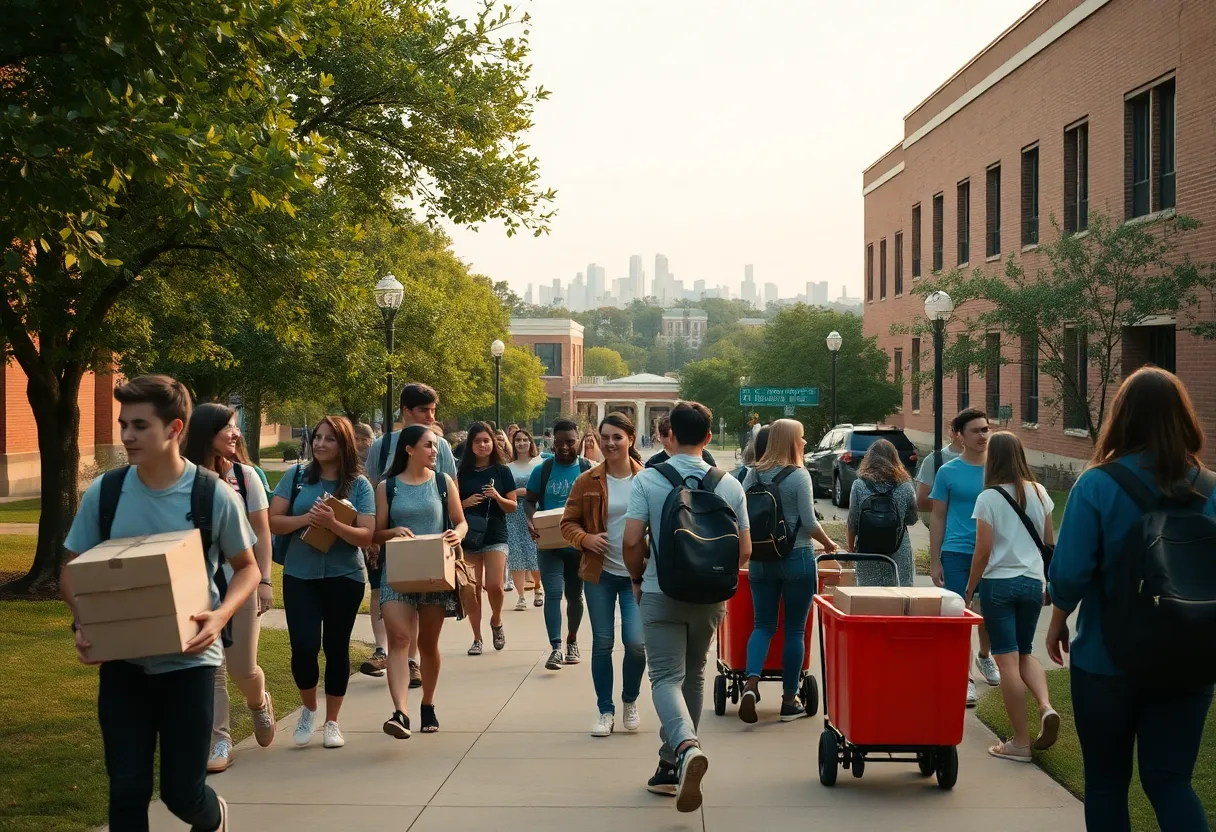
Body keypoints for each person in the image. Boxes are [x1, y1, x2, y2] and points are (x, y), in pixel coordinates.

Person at [62, 375, 259, 831]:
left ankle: (213, 817)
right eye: (123, 425)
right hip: (123, 666)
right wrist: (85, 622)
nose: (127, 436)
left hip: (190, 666)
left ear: (174, 428)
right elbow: (71, 571)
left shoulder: (210, 494)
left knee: (181, 792)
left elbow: (246, 568)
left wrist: (221, 615)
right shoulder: (105, 493)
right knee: (126, 791)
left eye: (139, 426)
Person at [1047, 367, 1215, 831]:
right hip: (1192, 658)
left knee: (1105, 784)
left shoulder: (1097, 484)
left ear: (1122, 418)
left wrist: (1059, 617)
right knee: (1171, 782)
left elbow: (1070, 573)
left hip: (1107, 659)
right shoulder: (1211, 488)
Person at [624, 401, 751, 812]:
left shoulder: (648, 480)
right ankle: (670, 764)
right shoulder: (729, 484)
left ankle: (686, 746)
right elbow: (744, 549)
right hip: (711, 595)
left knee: (664, 677)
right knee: (693, 675)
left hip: (662, 590)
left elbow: (630, 541)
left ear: (669, 435)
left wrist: (638, 578)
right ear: (709, 438)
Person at [269, 415, 375, 749]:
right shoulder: (296, 476)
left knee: (336, 648)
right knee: (303, 647)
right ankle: (309, 709)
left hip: (344, 576)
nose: (320, 444)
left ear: (343, 444)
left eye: (329, 439)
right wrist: (307, 519)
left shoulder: (359, 484)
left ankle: (332, 721)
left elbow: (366, 535)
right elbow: (274, 522)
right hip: (300, 575)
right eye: (317, 437)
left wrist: (334, 523)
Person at [183, 404, 277, 773]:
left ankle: (258, 701)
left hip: (241, 583)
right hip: (197, 588)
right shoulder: (184, 478)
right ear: (207, 432)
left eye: (237, 427)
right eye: (228, 428)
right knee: (213, 667)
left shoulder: (246, 476)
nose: (235, 434)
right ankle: (219, 739)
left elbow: (263, 532)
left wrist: (265, 579)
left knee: (242, 668)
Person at [964, 431, 1058, 762]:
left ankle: (1019, 743)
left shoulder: (988, 498)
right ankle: (1046, 706)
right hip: (1033, 584)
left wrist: (970, 588)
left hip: (999, 586)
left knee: (1006, 660)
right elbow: (1047, 542)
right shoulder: (1040, 492)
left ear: (994, 459)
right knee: (1024, 653)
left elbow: (982, 552)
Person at [739, 419, 837, 724]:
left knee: (763, 624)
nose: (805, 443)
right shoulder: (798, 476)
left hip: (760, 559)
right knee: (795, 629)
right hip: (797, 558)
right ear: (791, 441)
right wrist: (830, 544)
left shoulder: (752, 473)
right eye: (802, 438)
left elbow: (741, 514)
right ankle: (788, 699)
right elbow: (808, 523)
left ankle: (751, 684)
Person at [371, 424, 467, 737]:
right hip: (396, 573)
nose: (434, 451)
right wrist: (392, 532)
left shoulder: (443, 482)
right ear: (409, 449)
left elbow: (461, 520)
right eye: (428, 445)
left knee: (427, 643)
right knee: (399, 640)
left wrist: (457, 533)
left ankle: (428, 703)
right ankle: (400, 712)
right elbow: (375, 533)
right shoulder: (387, 487)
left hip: (434, 572)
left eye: (435, 446)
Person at [361, 384, 457, 687]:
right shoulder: (382, 446)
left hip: (430, 545)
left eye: (433, 410)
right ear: (406, 411)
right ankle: (382, 649)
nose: (430, 416)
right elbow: (372, 485)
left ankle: (412, 660)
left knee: (421, 601)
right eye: (423, 410)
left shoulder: (439, 446)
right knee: (384, 593)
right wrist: (375, 537)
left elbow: (449, 487)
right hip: (390, 540)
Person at [561, 413, 647, 737]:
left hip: (635, 576)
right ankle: (605, 710)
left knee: (636, 644)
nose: (610, 443)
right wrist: (585, 538)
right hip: (599, 574)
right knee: (602, 642)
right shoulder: (588, 480)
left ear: (630, 439)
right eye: (605, 437)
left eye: (617, 437)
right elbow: (567, 523)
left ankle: (629, 701)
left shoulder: (646, 479)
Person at [929, 407, 999, 705]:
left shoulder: (998, 469)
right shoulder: (948, 472)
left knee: (988, 615)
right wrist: (935, 560)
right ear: (960, 436)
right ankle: (965, 677)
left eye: (986, 429)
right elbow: (938, 517)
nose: (983, 435)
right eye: (976, 430)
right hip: (957, 551)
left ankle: (985, 656)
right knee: (961, 615)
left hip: (995, 553)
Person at [526, 419, 590, 670]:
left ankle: (572, 639)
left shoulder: (586, 469)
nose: (564, 447)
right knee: (552, 592)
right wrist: (531, 521)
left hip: (576, 543)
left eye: (570, 442)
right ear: (553, 441)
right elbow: (529, 501)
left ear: (578, 440)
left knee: (575, 595)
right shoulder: (542, 470)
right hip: (549, 542)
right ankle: (555, 648)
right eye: (559, 442)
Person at [457, 421, 518, 654]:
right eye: (477, 441)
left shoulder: (502, 471)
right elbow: (451, 507)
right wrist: (465, 503)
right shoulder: (461, 473)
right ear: (470, 445)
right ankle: (477, 638)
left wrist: (497, 497)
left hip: (495, 532)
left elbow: (512, 506)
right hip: (470, 535)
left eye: (486, 441)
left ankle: (496, 620)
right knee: (472, 590)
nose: (482, 445)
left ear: (493, 442)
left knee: (495, 585)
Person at [846, 438, 920, 587]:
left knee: (870, 598)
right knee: (900, 596)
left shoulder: (859, 485)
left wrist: (851, 550)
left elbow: (852, 522)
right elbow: (912, 519)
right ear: (895, 458)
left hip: (867, 552)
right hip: (899, 550)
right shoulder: (905, 485)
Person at [507, 428, 544, 610]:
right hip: (513, 514)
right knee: (516, 555)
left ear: (530, 442)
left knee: (534, 552)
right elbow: (503, 492)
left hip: (533, 512)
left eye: (524, 440)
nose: (521, 443)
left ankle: (538, 587)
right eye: (517, 440)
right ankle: (521, 596)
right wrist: (515, 492)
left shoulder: (540, 464)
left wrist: (528, 493)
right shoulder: (508, 467)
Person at [916, 419, 964, 525]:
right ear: (953, 433)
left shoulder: (990, 460)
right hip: (947, 532)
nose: (982, 435)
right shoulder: (934, 460)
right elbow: (921, 502)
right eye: (975, 431)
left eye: (984, 430)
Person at [645, 414, 717, 469]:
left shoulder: (704, 456)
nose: (670, 438)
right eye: (665, 434)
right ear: (659, 437)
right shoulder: (653, 462)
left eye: (674, 434)